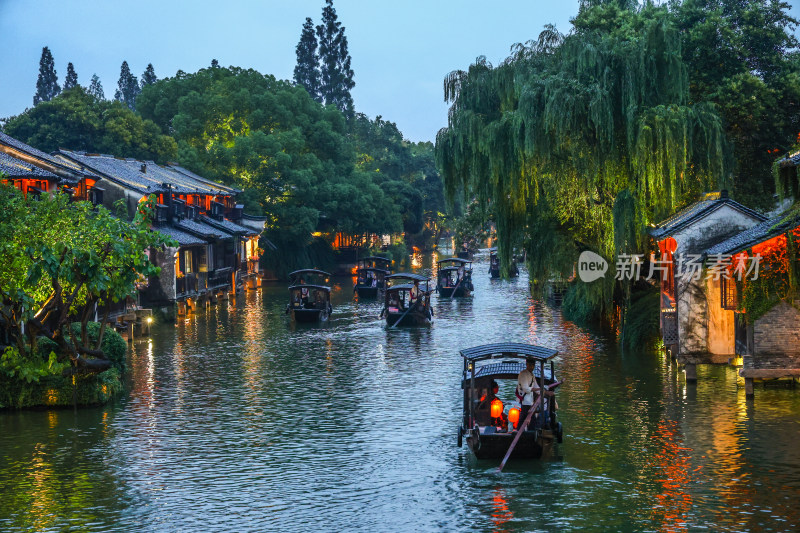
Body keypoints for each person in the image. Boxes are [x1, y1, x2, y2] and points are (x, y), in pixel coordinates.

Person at [517, 358, 541, 430]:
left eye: (533, 365)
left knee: (530, 416)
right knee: (525, 416)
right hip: (524, 400)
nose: (531, 367)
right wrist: (537, 389)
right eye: (530, 365)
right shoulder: (523, 374)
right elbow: (526, 389)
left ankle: (530, 430)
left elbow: (536, 386)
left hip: (530, 400)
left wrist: (541, 391)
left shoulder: (532, 375)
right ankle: (521, 431)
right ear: (526, 364)